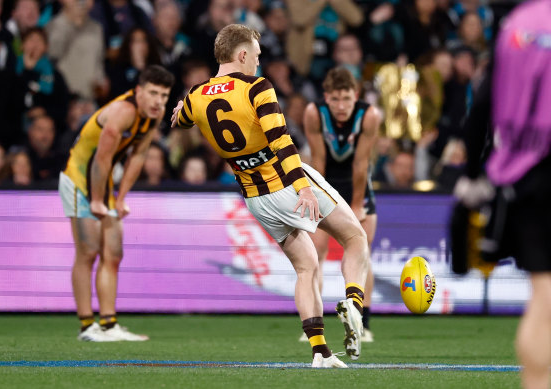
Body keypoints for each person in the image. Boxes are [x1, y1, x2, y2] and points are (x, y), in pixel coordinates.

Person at [171, 24, 369, 368]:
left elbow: (182, 119)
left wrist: (180, 110)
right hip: (288, 183)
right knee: (355, 238)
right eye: (257, 57)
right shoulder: (257, 88)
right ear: (242, 55)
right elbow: (281, 140)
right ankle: (354, 303)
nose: (258, 65)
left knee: (306, 268)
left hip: (256, 199)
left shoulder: (196, 94)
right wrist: (303, 186)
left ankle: (320, 352)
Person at [454, 1, 551, 387]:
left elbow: (482, 104)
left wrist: (473, 176)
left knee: (543, 290)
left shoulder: (516, 26)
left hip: (522, 176)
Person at [58, 65, 174, 342]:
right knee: (87, 252)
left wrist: (120, 199)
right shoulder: (123, 112)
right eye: (154, 93)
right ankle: (87, 326)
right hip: (78, 180)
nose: (159, 101)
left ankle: (109, 324)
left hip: (103, 184)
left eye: (164, 95)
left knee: (113, 254)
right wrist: (97, 201)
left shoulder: (151, 118)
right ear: (139, 92)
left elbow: (138, 156)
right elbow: (101, 158)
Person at [303, 67, 381, 343]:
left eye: (346, 98)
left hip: (357, 183)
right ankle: (314, 321)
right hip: (325, 181)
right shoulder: (314, 113)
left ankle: (363, 323)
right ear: (326, 97)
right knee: (315, 253)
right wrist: (319, 197)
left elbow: (362, 163)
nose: (341, 105)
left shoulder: (369, 115)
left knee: (362, 253)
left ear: (355, 96)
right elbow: (318, 161)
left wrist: (357, 205)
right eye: (335, 99)